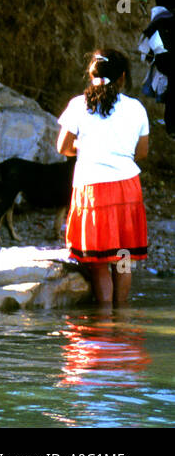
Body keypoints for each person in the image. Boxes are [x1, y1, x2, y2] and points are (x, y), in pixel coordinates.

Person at [56, 49, 150, 307]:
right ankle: (123, 318)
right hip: (127, 188)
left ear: (91, 75)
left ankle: (104, 321)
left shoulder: (78, 105)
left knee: (98, 261)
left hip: (92, 187)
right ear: (122, 77)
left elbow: (62, 147)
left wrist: (88, 149)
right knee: (122, 259)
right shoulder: (136, 108)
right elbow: (141, 153)